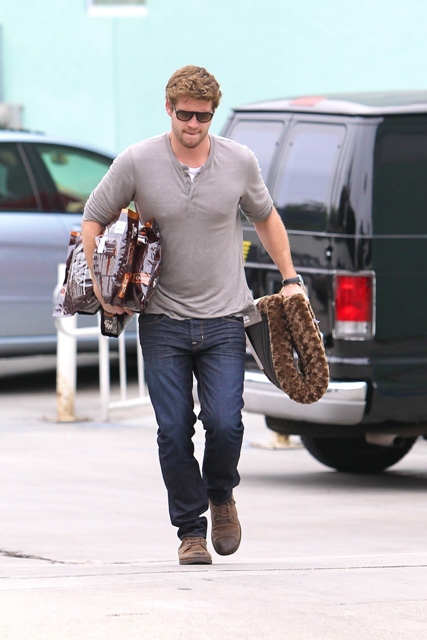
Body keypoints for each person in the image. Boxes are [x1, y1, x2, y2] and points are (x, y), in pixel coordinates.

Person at [82, 65, 303, 565]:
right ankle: (190, 531)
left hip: (225, 318)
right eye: (185, 114)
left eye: (203, 116)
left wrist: (290, 278)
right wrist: (101, 284)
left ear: (212, 114)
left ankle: (221, 494)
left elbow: (266, 217)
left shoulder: (239, 161)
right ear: (169, 108)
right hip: (162, 320)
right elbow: (94, 217)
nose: (193, 125)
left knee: (225, 424)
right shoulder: (138, 161)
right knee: (173, 429)